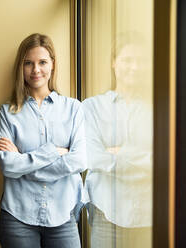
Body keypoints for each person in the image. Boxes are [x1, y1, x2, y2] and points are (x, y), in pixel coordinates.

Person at [0, 33, 87, 248]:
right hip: (17, 218)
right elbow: (8, 165)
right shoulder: (7, 112)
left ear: (52, 64)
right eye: (28, 63)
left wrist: (24, 164)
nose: (36, 70)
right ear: (21, 67)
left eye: (42, 62)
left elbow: (80, 161)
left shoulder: (74, 109)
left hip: (63, 216)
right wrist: (54, 152)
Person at [83, 34, 153, 248]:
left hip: (148, 218)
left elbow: (166, 160)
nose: (135, 67)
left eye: (141, 61)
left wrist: (120, 153)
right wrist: (144, 160)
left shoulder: (160, 110)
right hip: (107, 214)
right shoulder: (91, 107)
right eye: (127, 60)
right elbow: (94, 159)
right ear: (114, 62)